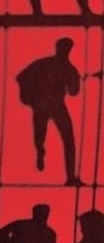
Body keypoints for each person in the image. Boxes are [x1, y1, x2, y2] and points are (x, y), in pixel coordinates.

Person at [16, 37, 82, 184]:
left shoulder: (68, 68)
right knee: (41, 138)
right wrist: (28, 97)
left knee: (68, 139)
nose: (66, 51)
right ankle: (41, 151)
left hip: (55, 106)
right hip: (43, 105)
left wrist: (75, 81)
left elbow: (73, 92)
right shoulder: (46, 64)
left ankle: (70, 177)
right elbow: (21, 77)